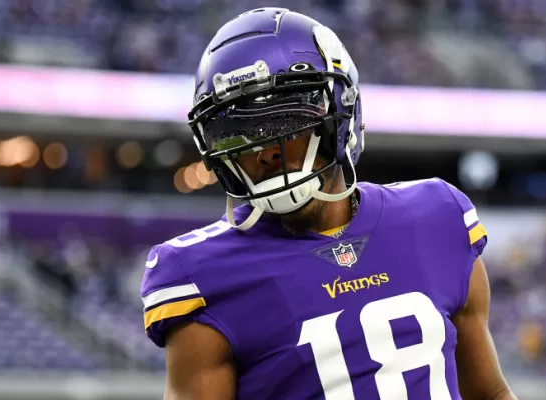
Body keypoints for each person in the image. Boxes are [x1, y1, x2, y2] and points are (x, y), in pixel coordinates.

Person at [141, 7, 516, 400]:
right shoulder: (199, 273)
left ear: (340, 112)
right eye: (239, 135)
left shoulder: (437, 214)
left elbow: (489, 392)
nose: (266, 150)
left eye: (286, 122)